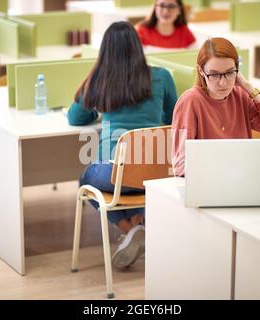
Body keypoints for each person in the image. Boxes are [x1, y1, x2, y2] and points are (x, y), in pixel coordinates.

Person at [68, 21, 178, 269]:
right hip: (154, 174)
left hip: (113, 174)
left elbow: (75, 118)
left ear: (105, 52)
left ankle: (129, 228)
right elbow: (175, 120)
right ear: (138, 47)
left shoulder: (100, 80)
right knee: (134, 183)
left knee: (84, 181)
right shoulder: (161, 76)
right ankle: (138, 226)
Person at [172, 37, 260, 177]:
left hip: (241, 179)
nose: (223, 83)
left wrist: (249, 88)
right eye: (214, 74)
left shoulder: (241, 96)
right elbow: (180, 165)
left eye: (229, 73)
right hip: (208, 183)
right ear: (201, 71)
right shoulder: (190, 101)